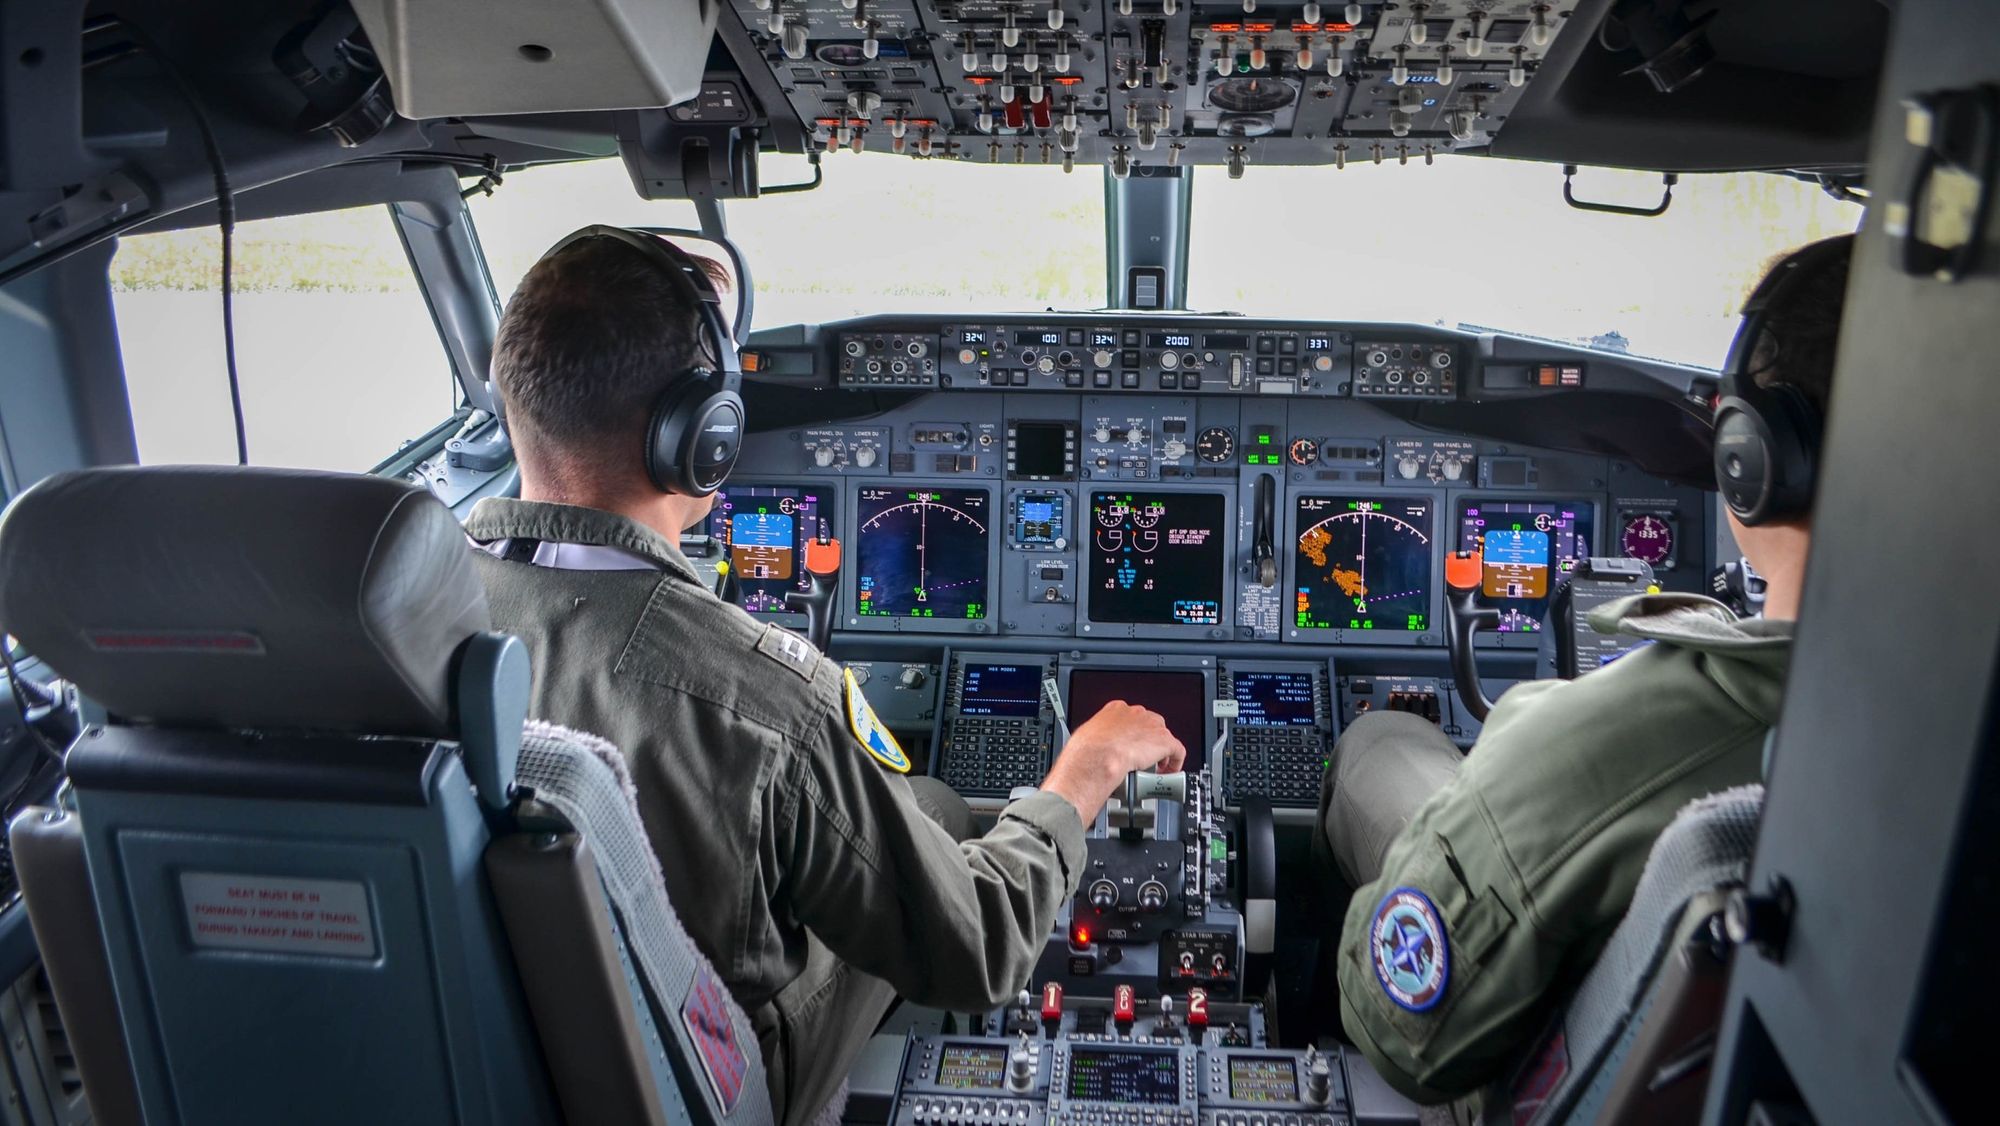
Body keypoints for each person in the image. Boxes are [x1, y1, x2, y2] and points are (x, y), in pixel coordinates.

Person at [462, 227, 1184, 1126]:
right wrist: (1082, 774)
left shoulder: (404, 627)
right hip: (698, 1085)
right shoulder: (769, 702)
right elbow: (985, 949)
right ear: (703, 441)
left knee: (916, 812)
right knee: (934, 816)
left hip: (485, 1063)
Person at [1316, 234, 1851, 1108]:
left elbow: (1395, 1030)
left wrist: (1510, 757)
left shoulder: (1616, 742)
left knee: (1384, 737)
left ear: (1756, 456)